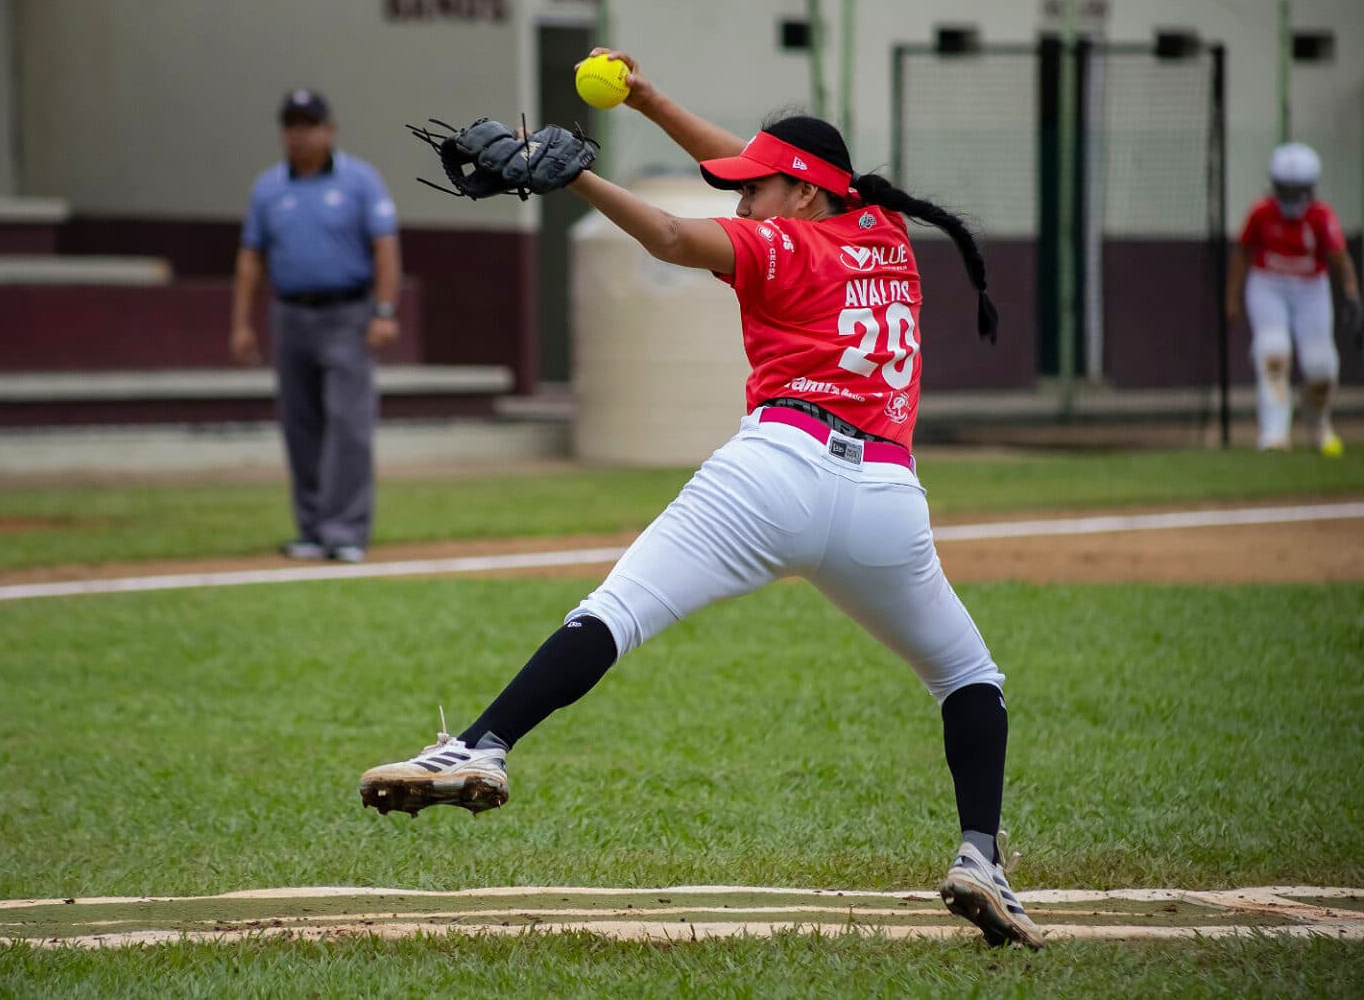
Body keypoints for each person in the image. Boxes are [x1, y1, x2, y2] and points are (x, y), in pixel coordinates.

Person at [360, 49, 1044, 950]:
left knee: (614, 611)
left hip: (776, 471)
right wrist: (646, 100)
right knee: (969, 677)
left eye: (756, 188)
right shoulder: (880, 228)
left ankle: (479, 745)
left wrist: (578, 178)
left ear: (800, 194)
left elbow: (674, 239)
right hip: (885, 497)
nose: (740, 197)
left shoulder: (780, 239)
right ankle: (980, 855)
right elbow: (762, 165)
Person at [231, 88, 403, 561]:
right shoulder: (268, 188)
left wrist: (384, 311)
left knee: (348, 424)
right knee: (300, 423)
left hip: (347, 313)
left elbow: (385, 248)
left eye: (308, 126)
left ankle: (345, 529)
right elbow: (251, 258)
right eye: (291, 126)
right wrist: (242, 324)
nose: (299, 136)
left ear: (329, 130)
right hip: (289, 314)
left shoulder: (360, 181)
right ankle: (311, 527)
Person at [1226, 142, 1362, 455]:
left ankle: (1319, 425)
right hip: (1268, 285)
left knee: (1321, 364)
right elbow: (1242, 254)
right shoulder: (1261, 212)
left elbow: (1341, 259)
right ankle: (1274, 436)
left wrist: (1353, 297)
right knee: (1273, 352)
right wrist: (1231, 298)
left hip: (1311, 289)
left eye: (1295, 189)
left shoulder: (1321, 216)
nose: (1289, 196)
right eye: (1284, 189)